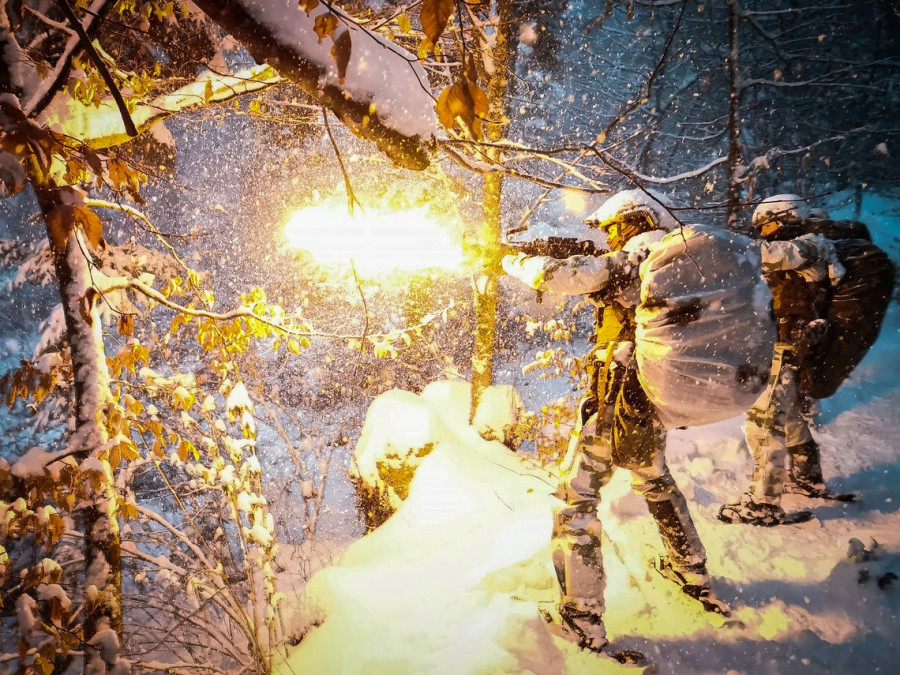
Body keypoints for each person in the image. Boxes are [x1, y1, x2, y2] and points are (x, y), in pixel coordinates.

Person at [502, 189, 712, 654]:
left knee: (574, 501)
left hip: (618, 402)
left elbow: (568, 275)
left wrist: (510, 262)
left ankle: (582, 618)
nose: (610, 238)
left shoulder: (640, 258)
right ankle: (692, 569)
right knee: (656, 481)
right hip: (651, 399)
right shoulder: (678, 260)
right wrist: (552, 245)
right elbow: (592, 260)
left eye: (614, 228)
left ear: (631, 222)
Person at [718, 195, 846, 526]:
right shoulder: (796, 253)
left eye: (767, 225)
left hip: (786, 347)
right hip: (782, 346)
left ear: (784, 218)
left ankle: (763, 502)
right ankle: (808, 478)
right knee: (786, 417)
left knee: (761, 422)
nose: (763, 232)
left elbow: (770, 256)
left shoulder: (810, 246)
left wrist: (722, 244)